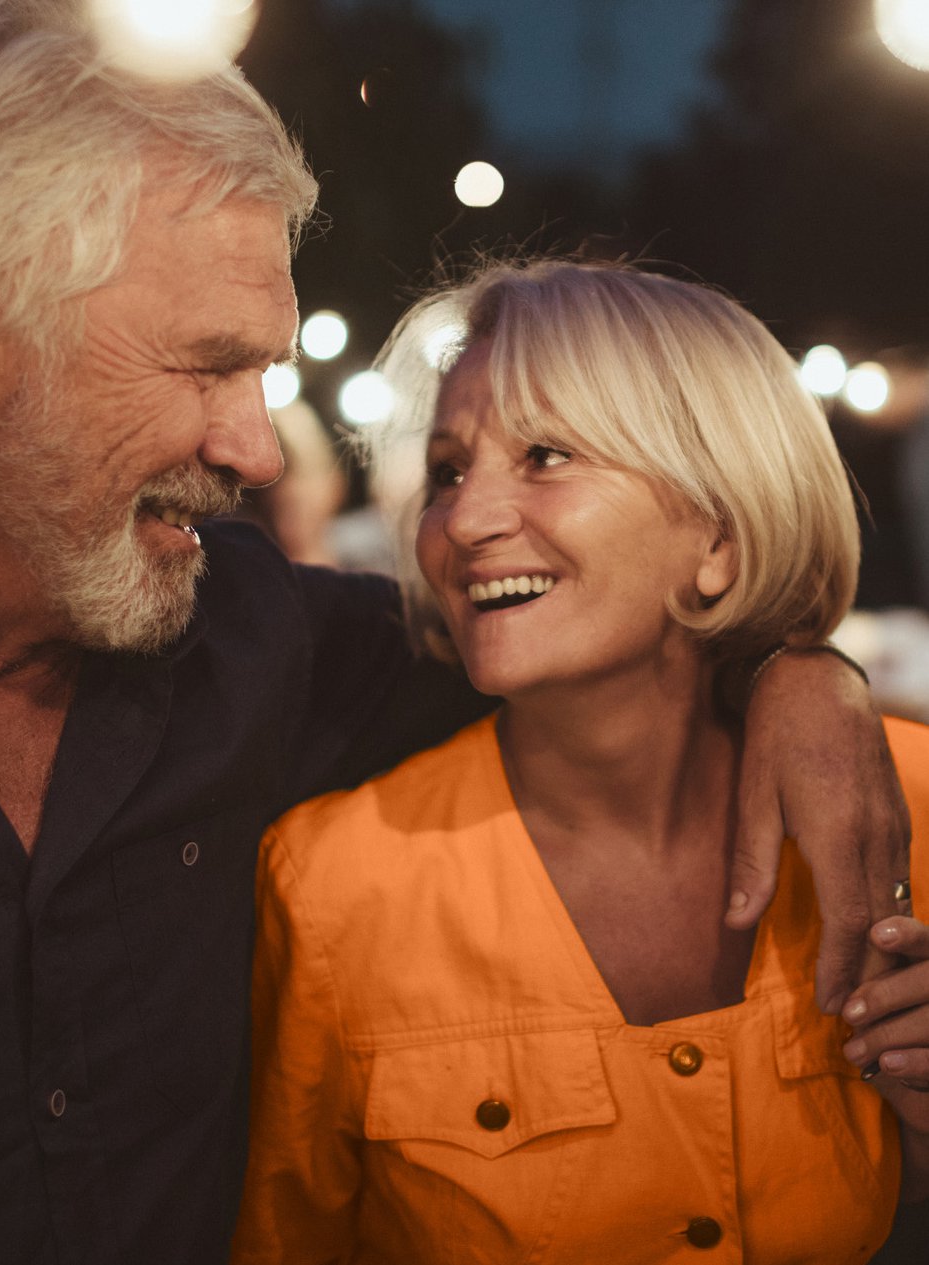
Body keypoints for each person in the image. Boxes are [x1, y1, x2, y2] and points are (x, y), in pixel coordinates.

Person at [0, 1, 909, 1260]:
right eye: (206, 366)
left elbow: (611, 658)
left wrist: (804, 667)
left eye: (264, 375)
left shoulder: (259, 640)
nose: (256, 450)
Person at [231, 259, 929, 1263]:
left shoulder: (900, 802)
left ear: (721, 535)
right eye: (446, 470)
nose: (464, 520)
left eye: (547, 454)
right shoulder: (334, 881)